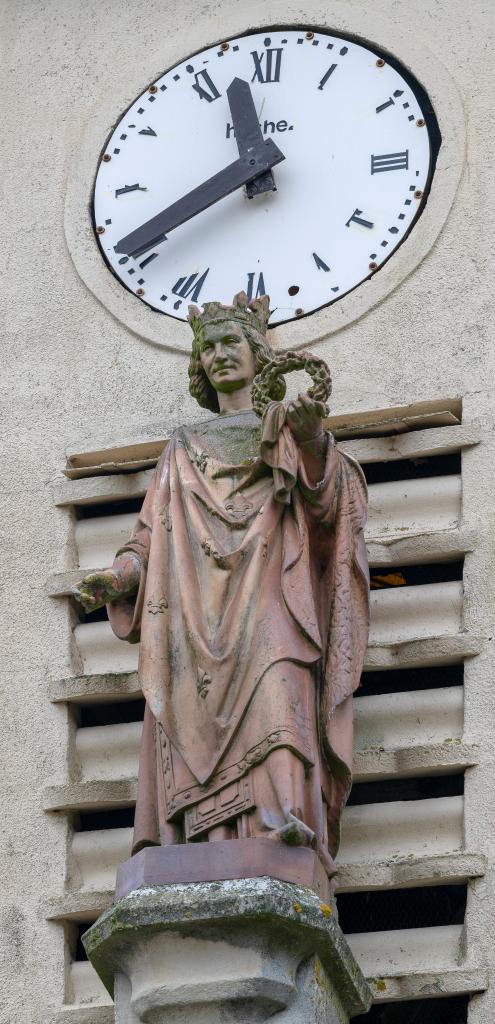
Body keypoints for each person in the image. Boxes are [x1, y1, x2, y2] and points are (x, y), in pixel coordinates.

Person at [72, 292, 369, 877]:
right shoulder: (181, 450)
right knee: (188, 711)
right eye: (206, 349)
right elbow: (148, 539)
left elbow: (333, 509)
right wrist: (118, 577)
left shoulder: (287, 430)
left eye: (230, 342)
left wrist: (310, 442)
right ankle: (191, 842)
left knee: (280, 690)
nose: (218, 356)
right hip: (191, 610)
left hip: (274, 599)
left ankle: (281, 821)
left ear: (259, 355)